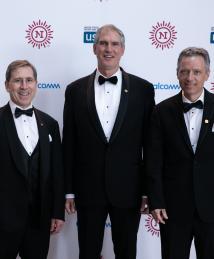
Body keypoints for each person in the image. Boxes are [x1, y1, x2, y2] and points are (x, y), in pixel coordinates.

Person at [62, 24, 155, 259]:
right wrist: (69, 191)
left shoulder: (143, 90)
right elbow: (69, 144)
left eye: (114, 44)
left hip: (129, 189)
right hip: (87, 188)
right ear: (94, 48)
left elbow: (150, 145)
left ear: (122, 49)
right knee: (88, 251)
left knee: (126, 252)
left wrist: (147, 190)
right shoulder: (74, 90)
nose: (108, 49)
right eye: (103, 43)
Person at [147, 47, 214, 259]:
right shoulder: (161, 111)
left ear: (207, 74)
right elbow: (153, 160)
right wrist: (156, 201)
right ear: (177, 74)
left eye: (196, 72)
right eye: (184, 71)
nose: (190, 78)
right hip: (173, 210)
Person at [0, 60, 64, 259]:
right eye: (18, 80)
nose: (24, 86)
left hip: (39, 220)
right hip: (3, 222)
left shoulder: (50, 124)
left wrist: (57, 212)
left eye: (29, 80)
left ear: (36, 84)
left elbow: (57, 172)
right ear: (7, 85)